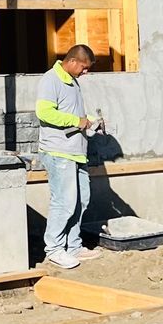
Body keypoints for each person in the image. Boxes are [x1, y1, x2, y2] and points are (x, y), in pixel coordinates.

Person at [35, 44, 102, 269]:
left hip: (76, 152)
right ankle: (54, 248)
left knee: (81, 200)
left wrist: (89, 121)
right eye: (83, 67)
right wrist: (77, 121)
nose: (85, 72)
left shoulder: (72, 82)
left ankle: (72, 245)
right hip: (58, 151)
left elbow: (73, 114)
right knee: (64, 201)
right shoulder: (50, 80)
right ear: (73, 61)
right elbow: (44, 113)